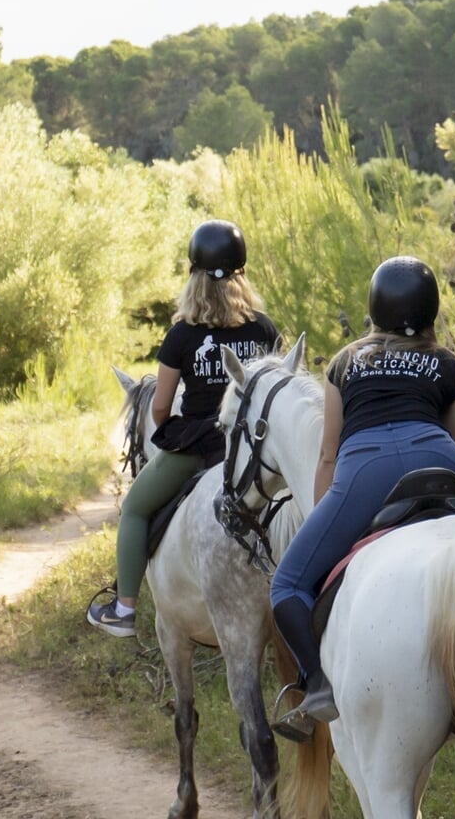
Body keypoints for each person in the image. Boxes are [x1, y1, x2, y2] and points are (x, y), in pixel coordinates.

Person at [269, 255, 455, 727]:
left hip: (362, 466)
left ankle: (317, 687)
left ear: (373, 310)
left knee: (287, 584)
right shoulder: (450, 365)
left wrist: (327, 516)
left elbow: (328, 454)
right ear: (432, 311)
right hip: (434, 453)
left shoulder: (344, 362)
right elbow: (452, 452)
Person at [86, 219, 280, 638]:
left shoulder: (181, 335)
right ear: (241, 276)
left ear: (193, 276)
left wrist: (175, 433)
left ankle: (123, 608)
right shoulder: (263, 329)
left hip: (199, 445)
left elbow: (158, 406)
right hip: (253, 451)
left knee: (136, 508)